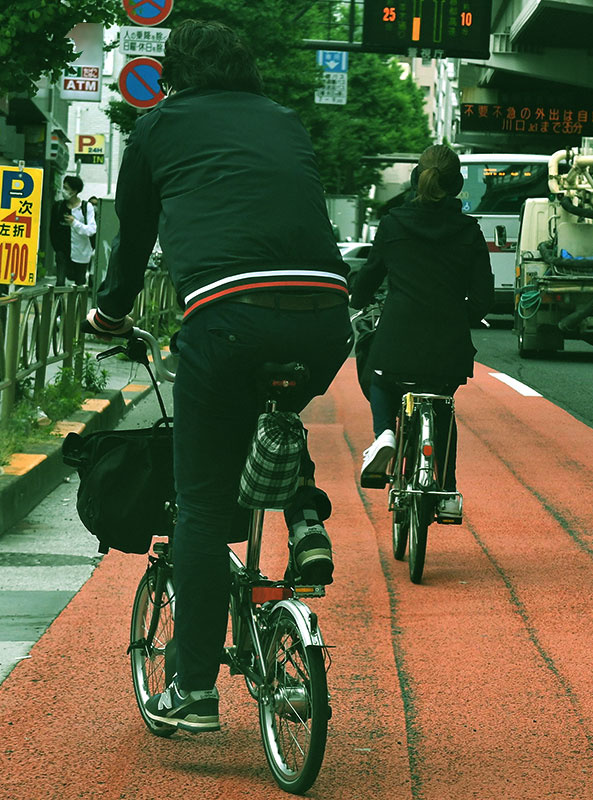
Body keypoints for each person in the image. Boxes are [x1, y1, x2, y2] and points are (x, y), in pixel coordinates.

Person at [82, 20, 353, 733]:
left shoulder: (158, 126)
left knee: (200, 506)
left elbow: (133, 242)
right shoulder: (286, 121)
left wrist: (108, 318)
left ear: (173, 74)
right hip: (326, 315)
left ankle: (193, 687)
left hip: (230, 317)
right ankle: (301, 514)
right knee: (277, 403)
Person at [350, 144, 493, 519]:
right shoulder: (469, 230)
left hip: (398, 339)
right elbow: (482, 299)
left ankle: (384, 434)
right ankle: (444, 489)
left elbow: (368, 279)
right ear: (457, 184)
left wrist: (358, 294)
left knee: (378, 375)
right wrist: (461, 314)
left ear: (417, 180)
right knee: (442, 405)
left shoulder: (394, 223)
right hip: (448, 347)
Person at [49, 175, 96, 286]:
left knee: (79, 284)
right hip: (62, 252)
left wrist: (75, 223)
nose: (63, 191)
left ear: (74, 191)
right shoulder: (58, 206)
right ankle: (59, 303)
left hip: (81, 252)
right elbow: (52, 229)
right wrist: (57, 249)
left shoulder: (86, 207)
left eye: (66, 188)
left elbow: (92, 230)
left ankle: (77, 303)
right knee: (60, 283)